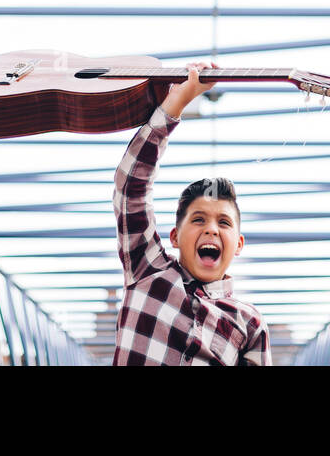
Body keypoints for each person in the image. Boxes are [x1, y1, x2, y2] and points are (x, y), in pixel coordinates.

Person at [112, 59, 271, 365]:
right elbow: (130, 189)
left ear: (238, 244)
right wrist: (176, 103)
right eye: (198, 219)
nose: (211, 229)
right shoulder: (148, 270)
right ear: (174, 236)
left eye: (224, 222)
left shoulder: (249, 323)